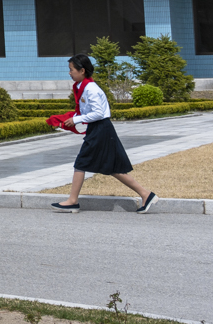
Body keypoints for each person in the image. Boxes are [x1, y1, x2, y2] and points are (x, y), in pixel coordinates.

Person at [50, 55, 157, 213]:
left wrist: (77, 119)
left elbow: (99, 113)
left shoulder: (91, 89)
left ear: (82, 70)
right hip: (99, 129)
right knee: (112, 167)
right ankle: (146, 194)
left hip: (101, 129)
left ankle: (73, 201)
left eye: (71, 70)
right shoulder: (84, 87)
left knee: (82, 162)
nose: (69, 73)